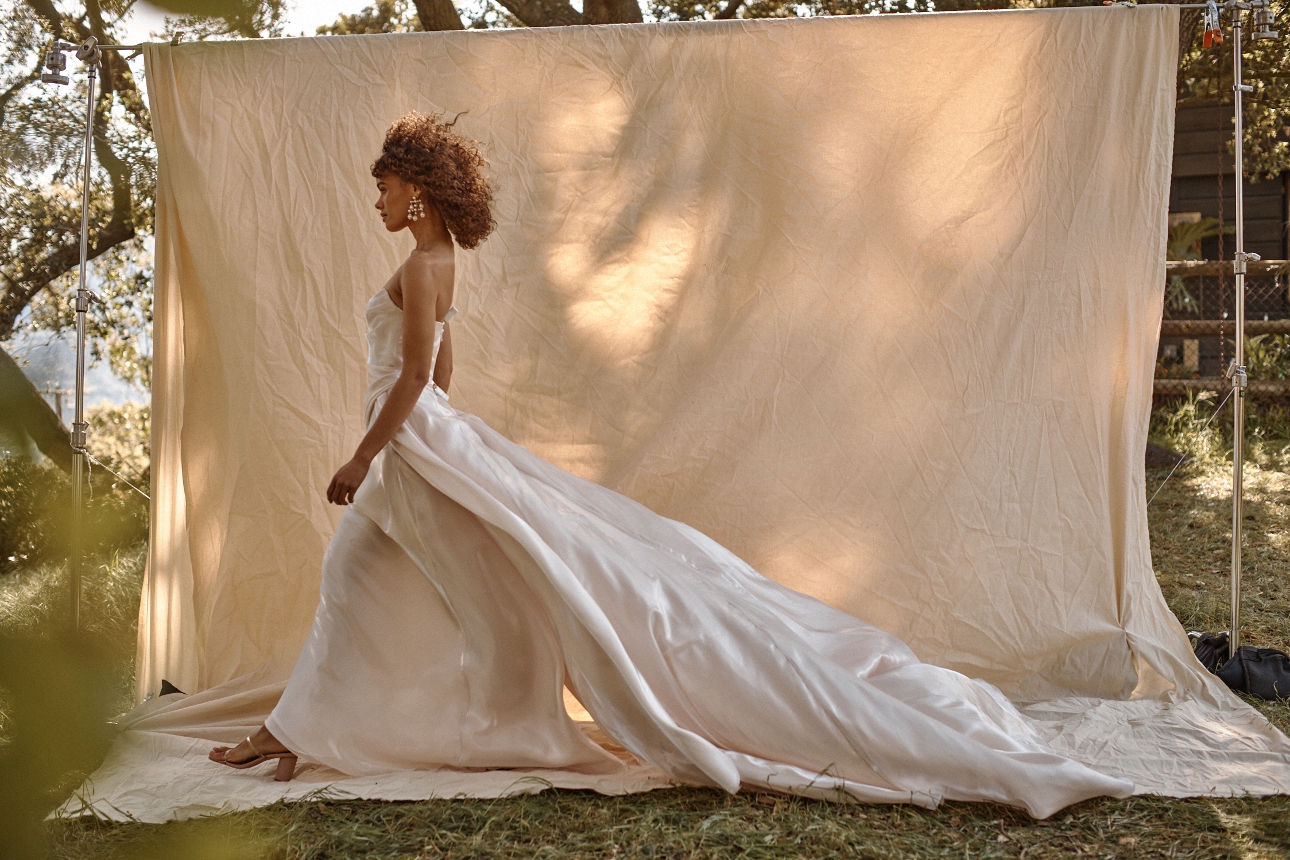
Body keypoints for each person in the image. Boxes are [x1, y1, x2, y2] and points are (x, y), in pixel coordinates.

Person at [210, 112, 1133, 817]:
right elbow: (443, 372)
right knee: (397, 573)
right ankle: (310, 730)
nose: (373, 203)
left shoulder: (419, 268)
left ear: (414, 188)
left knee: (380, 569)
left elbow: (416, 375)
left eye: (381, 188)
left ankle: (300, 733)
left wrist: (362, 451)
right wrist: (425, 427)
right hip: (429, 434)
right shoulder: (440, 262)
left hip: (411, 440)